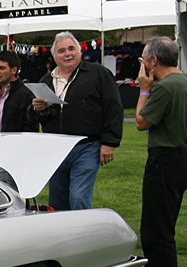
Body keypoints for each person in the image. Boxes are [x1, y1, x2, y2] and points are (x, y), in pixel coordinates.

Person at [131, 37, 187, 267]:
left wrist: (144, 90)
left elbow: (140, 121)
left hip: (166, 158)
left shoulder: (164, 88)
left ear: (153, 61)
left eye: (143, 60)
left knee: (156, 229)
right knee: (161, 222)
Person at [28, 31, 123, 210]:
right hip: (56, 149)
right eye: (62, 51)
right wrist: (37, 109)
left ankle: (84, 234)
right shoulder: (46, 81)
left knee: (79, 197)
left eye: (71, 49)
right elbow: (41, 118)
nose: (67, 54)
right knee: (57, 200)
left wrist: (110, 142)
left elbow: (114, 108)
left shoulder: (98, 74)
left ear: (80, 51)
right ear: (54, 57)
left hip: (86, 145)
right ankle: (63, 235)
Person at [0, 51, 38, 133]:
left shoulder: (25, 94)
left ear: (14, 70)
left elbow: (30, 126)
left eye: (2, 68)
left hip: (15, 143)